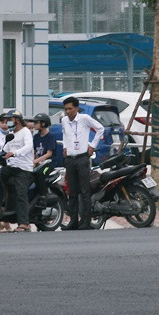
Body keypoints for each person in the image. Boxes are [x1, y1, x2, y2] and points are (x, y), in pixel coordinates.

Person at [60, 96, 103, 230]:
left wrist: (93, 146)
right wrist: (65, 147)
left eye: (70, 109)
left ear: (76, 108)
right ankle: (73, 221)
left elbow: (100, 128)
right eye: (66, 109)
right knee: (72, 192)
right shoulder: (64, 121)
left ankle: (85, 221)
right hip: (70, 159)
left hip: (82, 158)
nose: (68, 111)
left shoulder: (84, 118)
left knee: (85, 191)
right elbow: (64, 134)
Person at [0, 108, 35, 232]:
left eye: (10, 119)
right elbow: (5, 148)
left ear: (18, 121)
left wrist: (14, 153)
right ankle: (0, 215)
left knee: (21, 193)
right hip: (11, 167)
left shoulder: (25, 132)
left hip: (23, 168)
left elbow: (28, 146)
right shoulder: (11, 133)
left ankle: (24, 223)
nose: (8, 122)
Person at [30, 112, 57, 204]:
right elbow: (34, 151)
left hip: (49, 163)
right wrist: (34, 161)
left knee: (40, 173)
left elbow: (49, 154)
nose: (34, 125)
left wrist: (36, 161)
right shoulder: (36, 137)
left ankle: (43, 196)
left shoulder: (50, 137)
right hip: (38, 163)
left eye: (36, 123)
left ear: (43, 124)